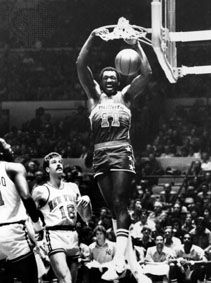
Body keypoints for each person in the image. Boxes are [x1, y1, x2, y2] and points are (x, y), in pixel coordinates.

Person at [76, 26, 152, 279]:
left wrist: (137, 44)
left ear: (119, 80)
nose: (110, 79)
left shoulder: (126, 96)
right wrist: (92, 36)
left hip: (121, 152)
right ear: (100, 80)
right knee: (117, 211)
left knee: (119, 203)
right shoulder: (94, 98)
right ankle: (136, 268)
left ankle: (119, 261)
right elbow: (80, 64)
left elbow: (147, 72)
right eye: (106, 76)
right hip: (100, 155)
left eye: (113, 76)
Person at [32, 152, 92, 283]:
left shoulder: (73, 187)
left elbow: (86, 217)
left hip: (73, 235)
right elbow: (30, 213)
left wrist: (88, 203)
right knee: (66, 279)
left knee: (72, 280)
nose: (59, 164)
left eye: (60, 162)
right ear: (47, 169)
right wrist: (36, 236)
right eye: (54, 162)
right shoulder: (41, 190)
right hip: (54, 235)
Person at [0, 138, 44, 283]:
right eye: (7, 145)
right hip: (12, 232)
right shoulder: (14, 168)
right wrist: (37, 225)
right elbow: (26, 196)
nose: (11, 147)